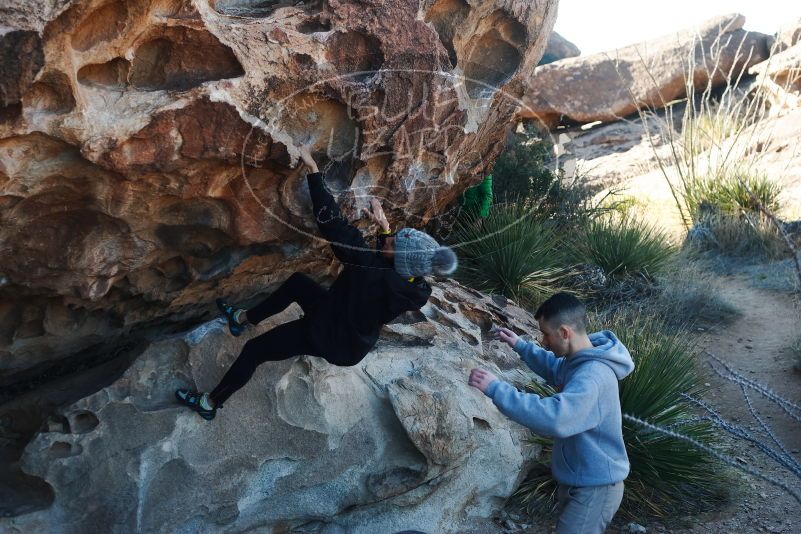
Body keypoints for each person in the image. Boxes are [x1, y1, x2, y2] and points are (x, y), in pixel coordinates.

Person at [176, 146, 458, 420]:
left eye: (394, 242)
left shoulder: (371, 272)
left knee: (254, 351)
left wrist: (313, 170)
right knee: (299, 283)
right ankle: (242, 318)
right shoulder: (414, 285)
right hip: (346, 325)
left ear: (400, 261)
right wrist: (384, 230)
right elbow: (391, 264)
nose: (391, 237)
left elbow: (335, 226)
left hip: (329, 336)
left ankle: (210, 403)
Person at [468, 292, 634, 534]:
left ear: (565, 333)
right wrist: (520, 346)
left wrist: (497, 389)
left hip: (596, 489)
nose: (543, 341)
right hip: (583, 481)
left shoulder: (593, 377)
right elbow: (556, 368)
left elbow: (555, 417)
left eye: (546, 334)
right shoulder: (578, 359)